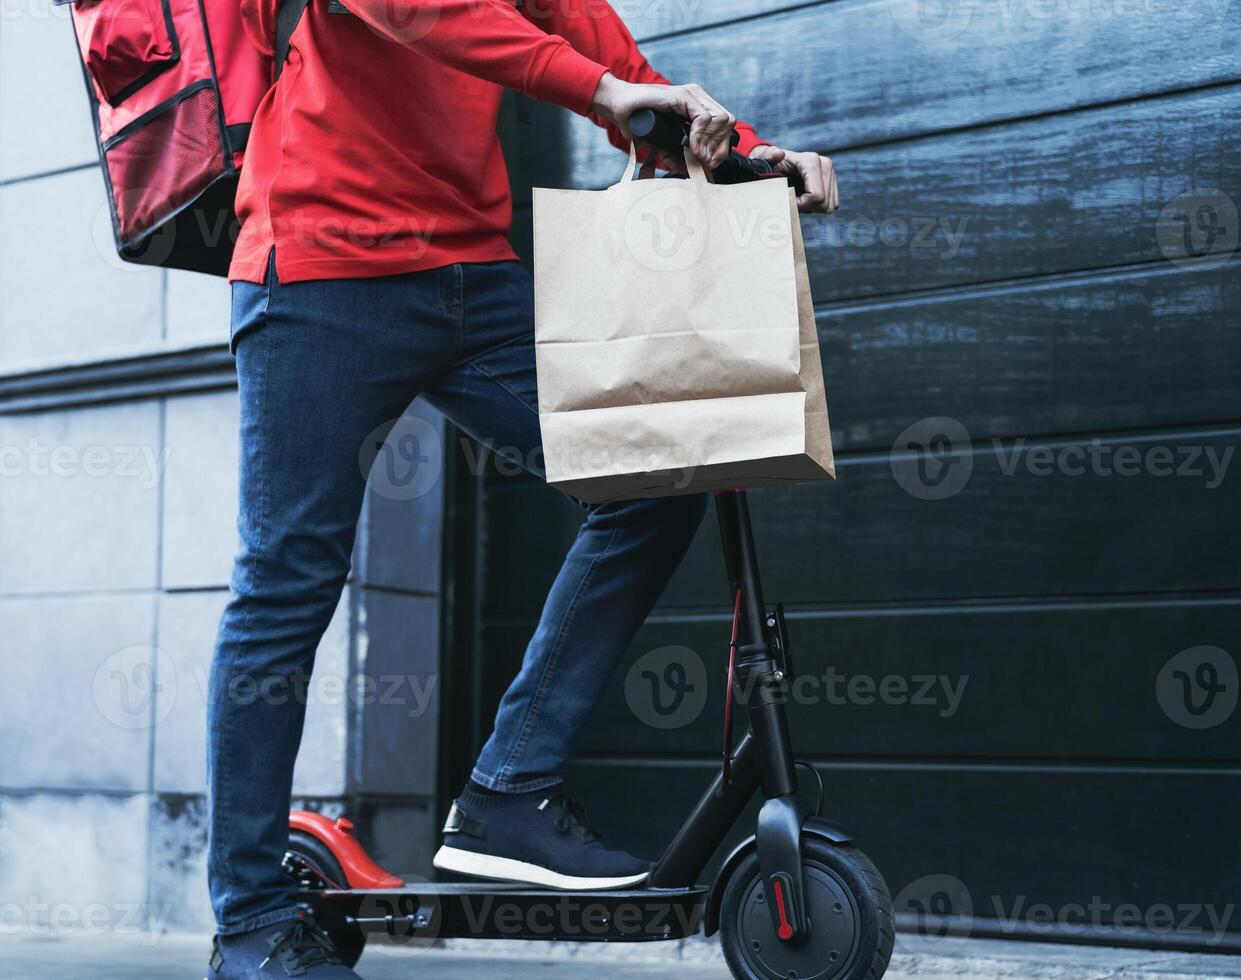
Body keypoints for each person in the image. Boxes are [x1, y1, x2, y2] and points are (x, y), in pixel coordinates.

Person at [203, 0, 838, 975]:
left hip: (471, 274)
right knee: (286, 582)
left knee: (656, 468)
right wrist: (603, 90)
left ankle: (508, 791)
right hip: (321, 265)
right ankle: (250, 922)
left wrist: (751, 151)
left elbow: (608, 61)